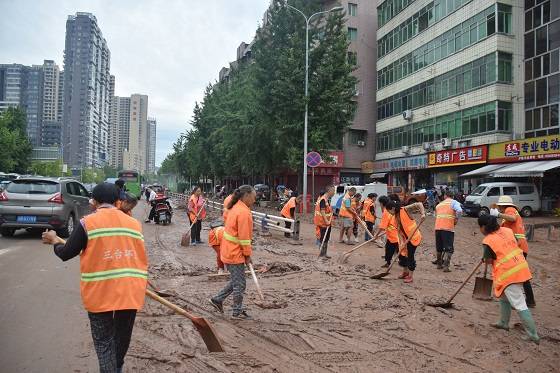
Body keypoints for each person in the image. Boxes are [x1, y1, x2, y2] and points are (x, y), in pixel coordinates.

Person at [41, 183, 148, 373]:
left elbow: (66, 253)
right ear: (118, 202)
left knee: (104, 342)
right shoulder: (134, 224)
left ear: (94, 203)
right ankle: (117, 368)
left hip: (101, 293)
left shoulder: (87, 223)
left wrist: (54, 241)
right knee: (122, 339)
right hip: (131, 290)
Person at [477, 214, 539, 343]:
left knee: (519, 303)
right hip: (520, 266)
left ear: (484, 227)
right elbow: (514, 244)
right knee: (504, 298)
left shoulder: (488, 240)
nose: (480, 230)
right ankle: (503, 323)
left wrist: (485, 259)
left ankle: (533, 335)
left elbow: (489, 260)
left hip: (509, 274)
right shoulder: (508, 230)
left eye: (480, 227)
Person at [209, 185, 255, 319]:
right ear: (246, 195)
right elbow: (244, 238)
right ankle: (237, 312)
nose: (255, 199)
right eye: (253, 196)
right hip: (234, 252)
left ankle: (217, 299)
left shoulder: (235, 207)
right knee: (240, 284)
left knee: (236, 281)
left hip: (228, 250)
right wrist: (247, 255)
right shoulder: (243, 212)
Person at [490, 196, 535, 307]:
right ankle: (529, 300)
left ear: (503, 205)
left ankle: (522, 301)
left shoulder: (510, 210)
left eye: (499, 206)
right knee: (521, 274)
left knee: (518, 274)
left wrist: (498, 215)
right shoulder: (507, 215)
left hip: (518, 247)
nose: (499, 208)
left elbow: (513, 219)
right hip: (518, 247)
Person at [387, 199, 426, 283]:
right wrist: (402, 243)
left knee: (410, 255)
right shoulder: (395, 217)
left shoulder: (405, 209)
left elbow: (419, 203)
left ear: (393, 208)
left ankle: (410, 276)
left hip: (414, 237)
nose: (389, 213)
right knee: (401, 254)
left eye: (389, 211)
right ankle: (405, 272)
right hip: (404, 239)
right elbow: (399, 231)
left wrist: (423, 214)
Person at [434, 189, 462, 272]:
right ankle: (446, 266)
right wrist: (456, 219)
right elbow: (459, 210)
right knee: (449, 248)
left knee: (439, 247)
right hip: (448, 228)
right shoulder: (454, 202)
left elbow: (436, 215)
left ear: (445, 196)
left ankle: (439, 264)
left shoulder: (439, 205)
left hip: (438, 228)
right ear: (452, 196)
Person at [372, 196, 399, 268]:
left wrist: (376, 235)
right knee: (389, 249)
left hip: (394, 235)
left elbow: (382, 227)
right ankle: (388, 262)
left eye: (380, 203)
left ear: (382, 203)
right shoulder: (388, 210)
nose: (379, 205)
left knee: (397, 250)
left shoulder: (386, 212)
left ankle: (404, 264)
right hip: (393, 233)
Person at [315, 185, 335, 258]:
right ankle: (321, 254)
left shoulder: (327, 199)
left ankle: (324, 254)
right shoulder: (323, 199)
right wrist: (326, 221)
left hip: (327, 223)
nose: (334, 192)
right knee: (322, 238)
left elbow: (327, 211)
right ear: (329, 191)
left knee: (326, 239)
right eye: (333, 191)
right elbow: (322, 211)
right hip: (323, 223)